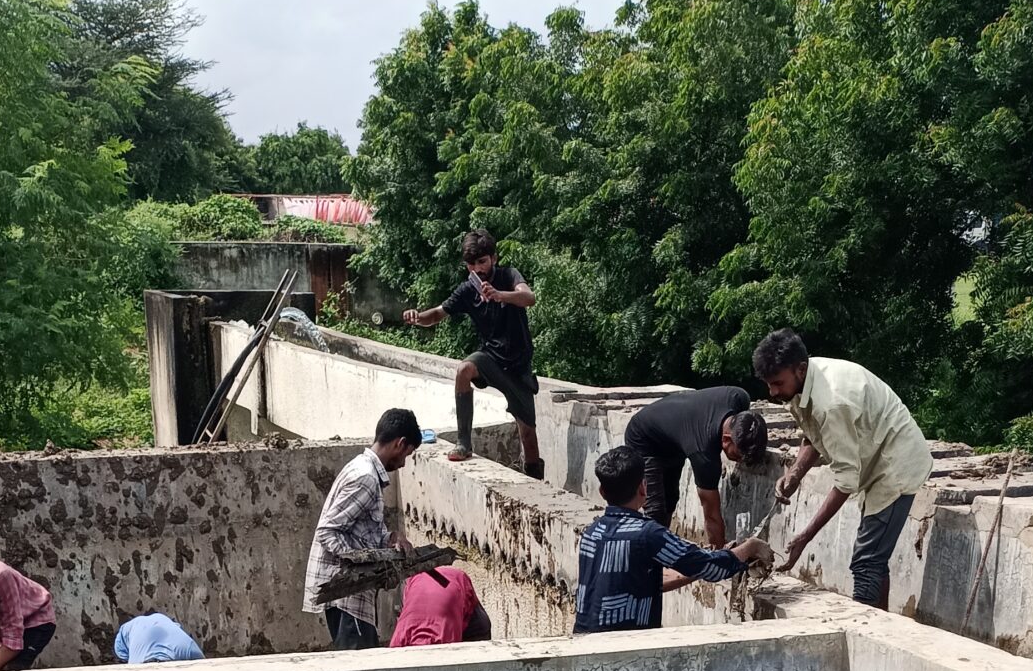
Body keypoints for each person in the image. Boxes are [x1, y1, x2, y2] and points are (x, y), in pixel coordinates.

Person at [752, 329, 933, 611]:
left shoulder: (831, 402)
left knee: (866, 561)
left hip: (895, 464)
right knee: (874, 559)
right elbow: (814, 434)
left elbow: (846, 480)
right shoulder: (805, 381)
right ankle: (881, 622)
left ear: (800, 369)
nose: (773, 392)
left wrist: (805, 537)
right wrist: (795, 474)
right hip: (875, 454)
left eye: (777, 383)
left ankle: (865, 628)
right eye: (768, 385)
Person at [573, 444, 771, 634]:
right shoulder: (647, 534)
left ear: (602, 492)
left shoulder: (592, 533)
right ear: (643, 488)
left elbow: (640, 581)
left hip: (583, 643)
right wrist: (749, 548)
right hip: (626, 648)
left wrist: (703, 562)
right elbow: (711, 568)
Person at [402, 229, 544, 479]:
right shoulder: (468, 289)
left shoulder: (509, 275)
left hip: (518, 367)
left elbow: (529, 297)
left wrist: (501, 295)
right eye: (471, 264)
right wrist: (417, 317)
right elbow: (438, 313)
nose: (478, 269)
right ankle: (464, 443)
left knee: (529, 438)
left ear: (493, 258)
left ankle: (535, 482)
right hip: (491, 358)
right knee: (464, 369)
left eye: (482, 261)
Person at [302, 407, 425, 648]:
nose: (402, 463)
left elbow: (363, 531)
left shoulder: (362, 469)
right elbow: (328, 531)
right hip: (347, 594)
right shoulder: (365, 477)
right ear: (400, 444)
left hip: (351, 596)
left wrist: (391, 537)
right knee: (361, 666)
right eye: (406, 454)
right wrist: (364, 564)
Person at [620, 387, 770, 545]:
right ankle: (651, 552)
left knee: (670, 498)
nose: (740, 462)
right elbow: (711, 515)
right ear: (726, 440)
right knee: (655, 509)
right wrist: (721, 554)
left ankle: (662, 543)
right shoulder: (704, 455)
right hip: (644, 438)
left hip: (676, 435)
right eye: (738, 456)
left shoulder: (739, 397)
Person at [390, 564, 492, 648]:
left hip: (451, 581)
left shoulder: (445, 642)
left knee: (478, 639)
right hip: (422, 578)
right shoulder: (399, 642)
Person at [113, 612, 203, 664]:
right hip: (186, 648)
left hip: (147, 662)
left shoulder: (125, 634)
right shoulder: (161, 618)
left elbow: (121, 652)